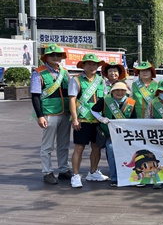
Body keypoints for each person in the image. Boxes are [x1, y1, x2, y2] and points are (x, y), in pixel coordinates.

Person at [31, 44, 72, 185]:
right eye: (52, 55)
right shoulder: (38, 73)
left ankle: (64, 169)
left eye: (58, 55)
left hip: (65, 113)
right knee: (47, 146)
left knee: (64, 144)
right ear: (46, 57)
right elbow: (35, 96)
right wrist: (40, 115)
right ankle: (47, 172)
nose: (56, 57)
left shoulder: (65, 72)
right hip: (49, 114)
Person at [68, 53, 109, 188]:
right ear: (83, 65)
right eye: (89, 64)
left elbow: (105, 99)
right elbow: (72, 99)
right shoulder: (76, 80)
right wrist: (75, 119)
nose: (92, 67)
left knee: (96, 147)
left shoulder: (101, 80)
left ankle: (93, 172)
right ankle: (75, 175)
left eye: (95, 64)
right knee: (79, 147)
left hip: (97, 120)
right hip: (82, 119)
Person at [91, 82, 137, 187]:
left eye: (122, 90)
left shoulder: (131, 102)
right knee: (111, 153)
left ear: (126, 92)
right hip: (110, 136)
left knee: (128, 156)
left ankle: (127, 177)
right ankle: (114, 178)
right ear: (112, 91)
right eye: (117, 90)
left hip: (125, 136)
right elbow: (93, 110)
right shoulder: (105, 100)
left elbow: (134, 119)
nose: (119, 92)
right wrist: (100, 118)